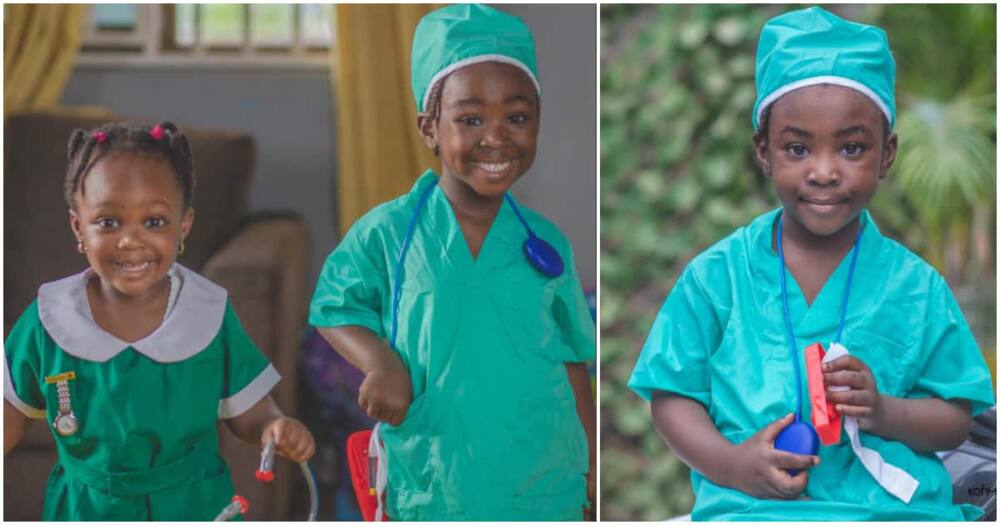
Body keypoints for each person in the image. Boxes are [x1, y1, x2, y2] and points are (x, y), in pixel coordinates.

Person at [628, 7, 994, 521]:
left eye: (851, 148)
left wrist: (884, 410)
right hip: (754, 510)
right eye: (798, 148)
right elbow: (671, 396)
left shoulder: (915, 287)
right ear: (764, 152)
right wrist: (732, 465)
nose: (824, 172)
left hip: (885, 512)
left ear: (887, 155)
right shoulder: (718, 278)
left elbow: (955, 419)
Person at [310, 4, 596, 520]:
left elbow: (573, 356)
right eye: (469, 119)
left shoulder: (547, 243)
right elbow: (333, 307)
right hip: (436, 483)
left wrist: (593, 467)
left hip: (545, 486)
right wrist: (382, 362)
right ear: (429, 129)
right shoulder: (388, 234)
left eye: (517, 117)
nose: (497, 136)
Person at [3, 121, 315, 520]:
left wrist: (274, 426)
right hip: (86, 509)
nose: (131, 241)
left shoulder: (207, 312)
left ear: (183, 225)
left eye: (153, 222)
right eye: (109, 222)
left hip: (193, 506)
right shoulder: (50, 317)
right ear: (78, 227)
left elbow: (249, 411)